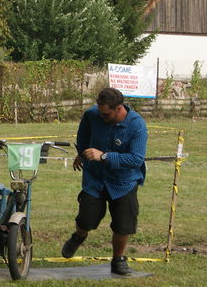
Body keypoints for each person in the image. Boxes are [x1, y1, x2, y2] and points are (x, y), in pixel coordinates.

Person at [61, 87, 147, 276]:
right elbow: (83, 136)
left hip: (124, 182)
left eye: (106, 114)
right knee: (86, 219)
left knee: (123, 225)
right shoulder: (92, 115)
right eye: (100, 112)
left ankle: (118, 260)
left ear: (119, 108)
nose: (101, 116)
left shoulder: (137, 125)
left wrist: (104, 156)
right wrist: (81, 153)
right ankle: (79, 236)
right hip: (95, 179)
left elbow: (136, 159)